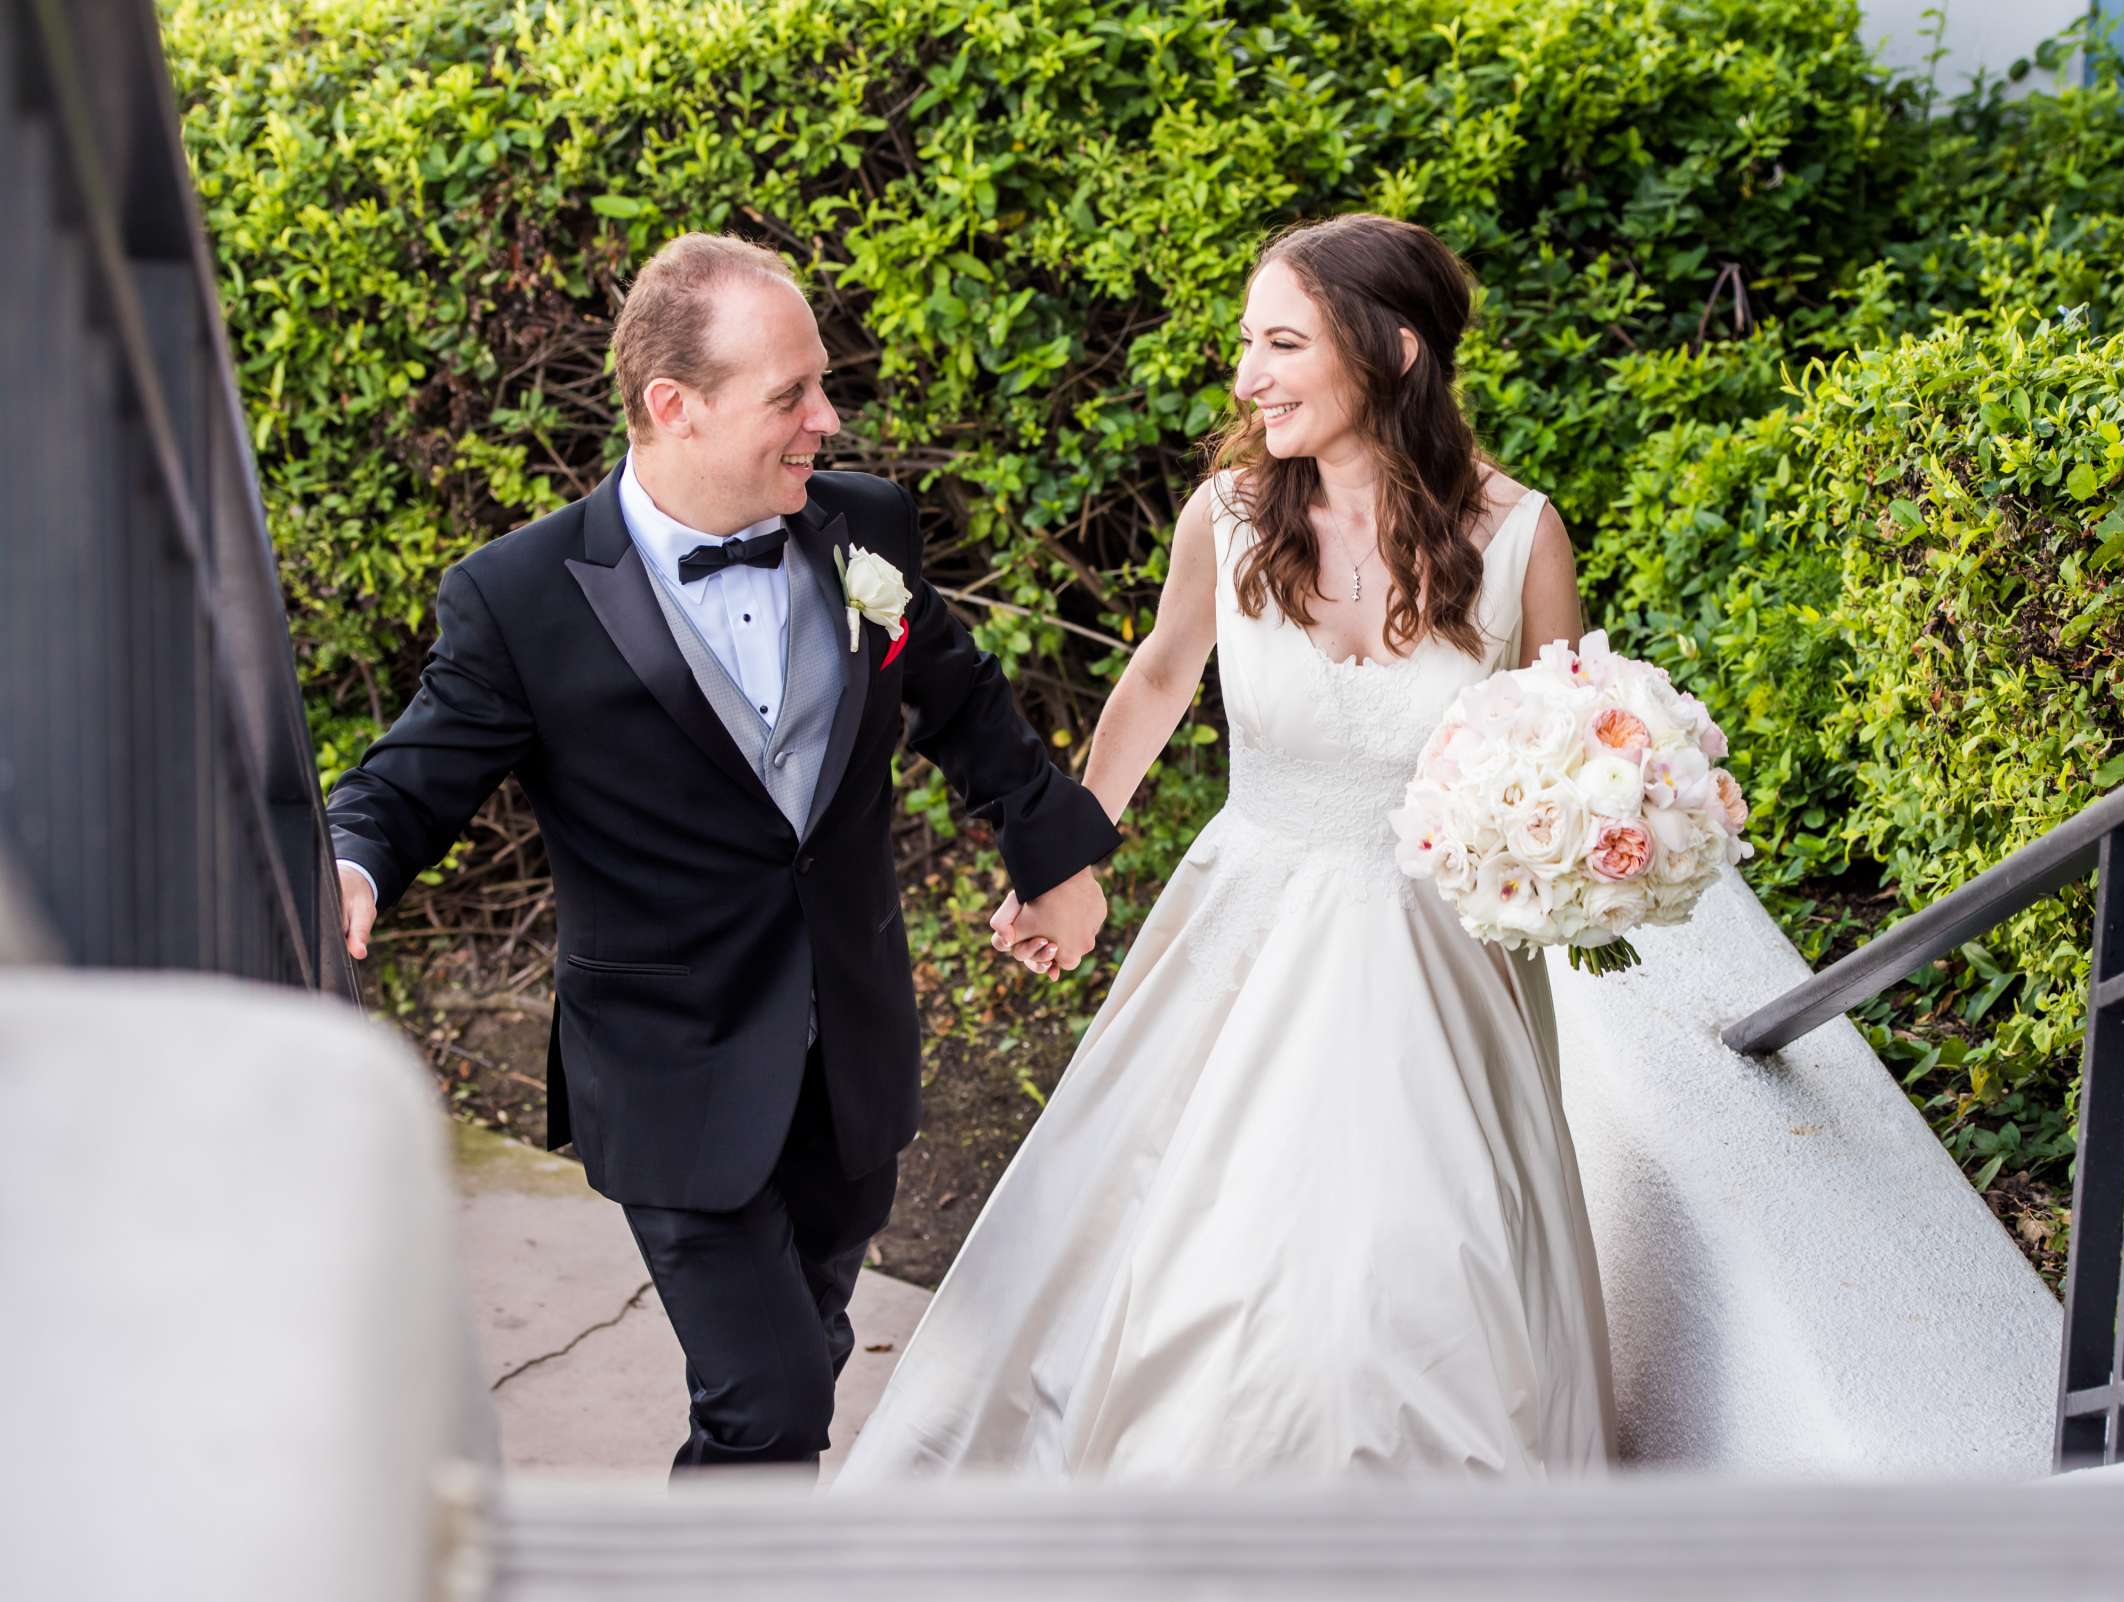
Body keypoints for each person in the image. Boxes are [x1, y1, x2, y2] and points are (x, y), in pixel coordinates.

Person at [325, 232, 1120, 1477]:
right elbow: (412, 775)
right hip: (671, 1071)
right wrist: (353, 862)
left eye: (821, 382)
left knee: (796, 1357)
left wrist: (1054, 854)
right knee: (774, 1408)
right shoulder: (522, 596)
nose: (829, 415)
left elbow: (965, 705)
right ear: (672, 407)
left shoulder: (865, 530)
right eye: (792, 393)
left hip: (848, 1051)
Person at [838, 214, 1618, 1479]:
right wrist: (1063, 856)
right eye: (1247, 343)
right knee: (1193, 1258)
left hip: (1436, 967)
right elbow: (1156, 679)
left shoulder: (1523, 538)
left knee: (1413, 1279)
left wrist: (1593, 844)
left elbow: (1568, 743)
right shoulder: (1229, 516)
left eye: (1282, 342)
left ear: (1396, 350)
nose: (1247, 376)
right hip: (1245, 932)